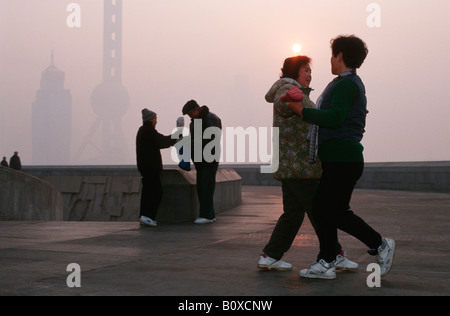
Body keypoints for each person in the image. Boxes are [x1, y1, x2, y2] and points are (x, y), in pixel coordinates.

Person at [289, 35, 395, 279]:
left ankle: (378, 245)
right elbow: (343, 114)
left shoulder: (346, 84)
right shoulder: (345, 83)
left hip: (343, 158)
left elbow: (335, 118)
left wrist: (302, 111)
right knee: (327, 210)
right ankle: (328, 260)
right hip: (339, 158)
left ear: (340, 56)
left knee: (331, 211)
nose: (330, 59)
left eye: (332, 55)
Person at [258, 55, 357, 272]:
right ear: (294, 72)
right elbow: (283, 103)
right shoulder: (287, 88)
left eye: (310, 71)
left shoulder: (299, 92)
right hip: (300, 166)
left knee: (293, 214)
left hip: (292, 166)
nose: (309, 75)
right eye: (305, 70)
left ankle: (270, 255)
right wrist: (290, 97)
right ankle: (335, 254)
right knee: (319, 211)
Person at [136, 109, 178, 227]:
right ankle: (147, 216)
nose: (156, 121)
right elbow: (162, 141)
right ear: (150, 119)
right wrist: (176, 137)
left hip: (146, 167)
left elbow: (161, 140)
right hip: (150, 168)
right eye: (155, 119)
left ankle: (145, 216)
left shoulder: (143, 130)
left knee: (148, 192)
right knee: (155, 192)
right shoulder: (148, 131)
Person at [182, 100, 222, 224]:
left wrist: (192, 142)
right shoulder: (194, 122)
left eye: (190, 114)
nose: (190, 117)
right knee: (202, 187)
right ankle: (209, 214)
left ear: (196, 109)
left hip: (210, 159)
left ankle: (207, 216)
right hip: (200, 160)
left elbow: (212, 138)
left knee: (206, 187)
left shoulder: (211, 118)